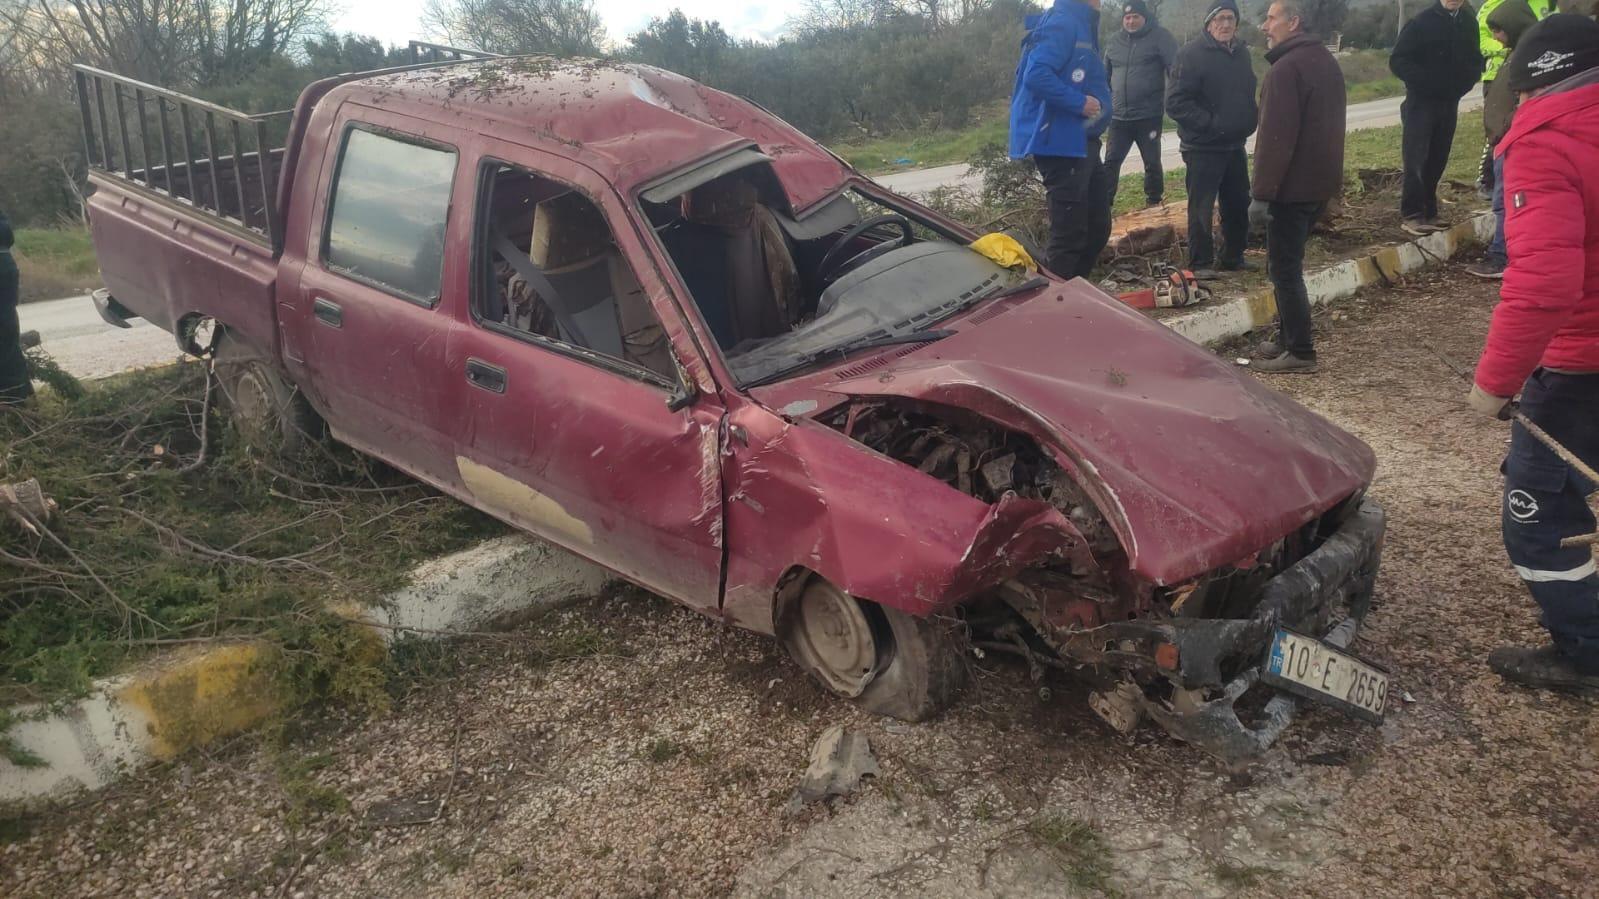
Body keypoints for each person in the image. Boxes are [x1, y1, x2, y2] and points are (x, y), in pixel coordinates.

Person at [1468, 15, 1599, 693]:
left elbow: (1545, 284)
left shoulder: (1548, 142)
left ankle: (1587, 651)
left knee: (1538, 515)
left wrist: (1494, 382)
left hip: (1582, 364)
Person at [1248, 0, 1347, 374]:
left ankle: (1300, 351)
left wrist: (1261, 194)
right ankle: (1287, 335)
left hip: (1290, 191)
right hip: (1318, 187)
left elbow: (1274, 140)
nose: (1264, 26)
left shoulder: (1285, 70)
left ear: (1294, 22)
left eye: (1271, 18)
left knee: (1284, 270)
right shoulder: (1325, 61)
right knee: (1288, 265)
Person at [1009, 0, 1113, 280]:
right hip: (1061, 143)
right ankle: (1053, 297)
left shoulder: (1081, 22)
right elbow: (1036, 74)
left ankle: (1075, 291)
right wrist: (1079, 103)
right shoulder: (1063, 22)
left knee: (1097, 227)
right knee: (1069, 236)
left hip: (1081, 140)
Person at [1166, 0, 1257, 276]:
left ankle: (1233, 256)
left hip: (1234, 143)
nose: (1226, 24)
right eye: (1220, 19)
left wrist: (1249, 118)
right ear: (1209, 24)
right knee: (1201, 207)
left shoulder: (1241, 53)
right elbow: (1176, 103)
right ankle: (1201, 262)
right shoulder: (1190, 54)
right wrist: (1211, 124)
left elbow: (1247, 91)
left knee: (1238, 202)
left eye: (1231, 18)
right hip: (1202, 146)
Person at [1389, 0, 1485, 236]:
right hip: (1420, 102)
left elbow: (1474, 59)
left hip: (1449, 102)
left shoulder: (1468, 22)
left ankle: (1430, 211)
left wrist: (1464, 83)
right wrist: (1426, 83)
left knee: (1438, 157)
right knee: (1416, 159)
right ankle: (1412, 214)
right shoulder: (1421, 22)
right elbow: (1398, 61)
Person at [1467, 0, 1539, 279]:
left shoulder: (1527, 57)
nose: (1495, 37)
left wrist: (1508, 127)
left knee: (1505, 200)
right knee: (1503, 199)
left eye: (1498, 30)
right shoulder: (1515, 54)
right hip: (1502, 138)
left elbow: (1526, 100)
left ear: (1513, 26)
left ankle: (1502, 256)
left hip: (1512, 139)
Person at [1102, 0, 1178, 207]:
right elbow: (1104, 75)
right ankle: (1103, 206)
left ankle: (1153, 203)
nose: (1131, 21)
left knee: (1152, 163)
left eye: (1135, 17)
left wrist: (1174, 99)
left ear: (1144, 17)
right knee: (1111, 162)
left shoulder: (1160, 37)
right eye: (1127, 17)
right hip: (1119, 117)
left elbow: (1176, 71)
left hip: (1148, 116)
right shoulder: (1114, 41)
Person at [1474, 0, 1552, 196]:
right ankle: (1487, 178)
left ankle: (1492, 179)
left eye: (1497, 31)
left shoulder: (1546, 5)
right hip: (1496, 75)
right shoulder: (1493, 6)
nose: (1495, 35)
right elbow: (1480, 40)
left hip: (1514, 132)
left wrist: (1507, 122)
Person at [0, 210, 32, 406]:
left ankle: (14, 401)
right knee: (7, 333)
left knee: (5, 336)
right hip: (5, 264)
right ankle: (20, 398)